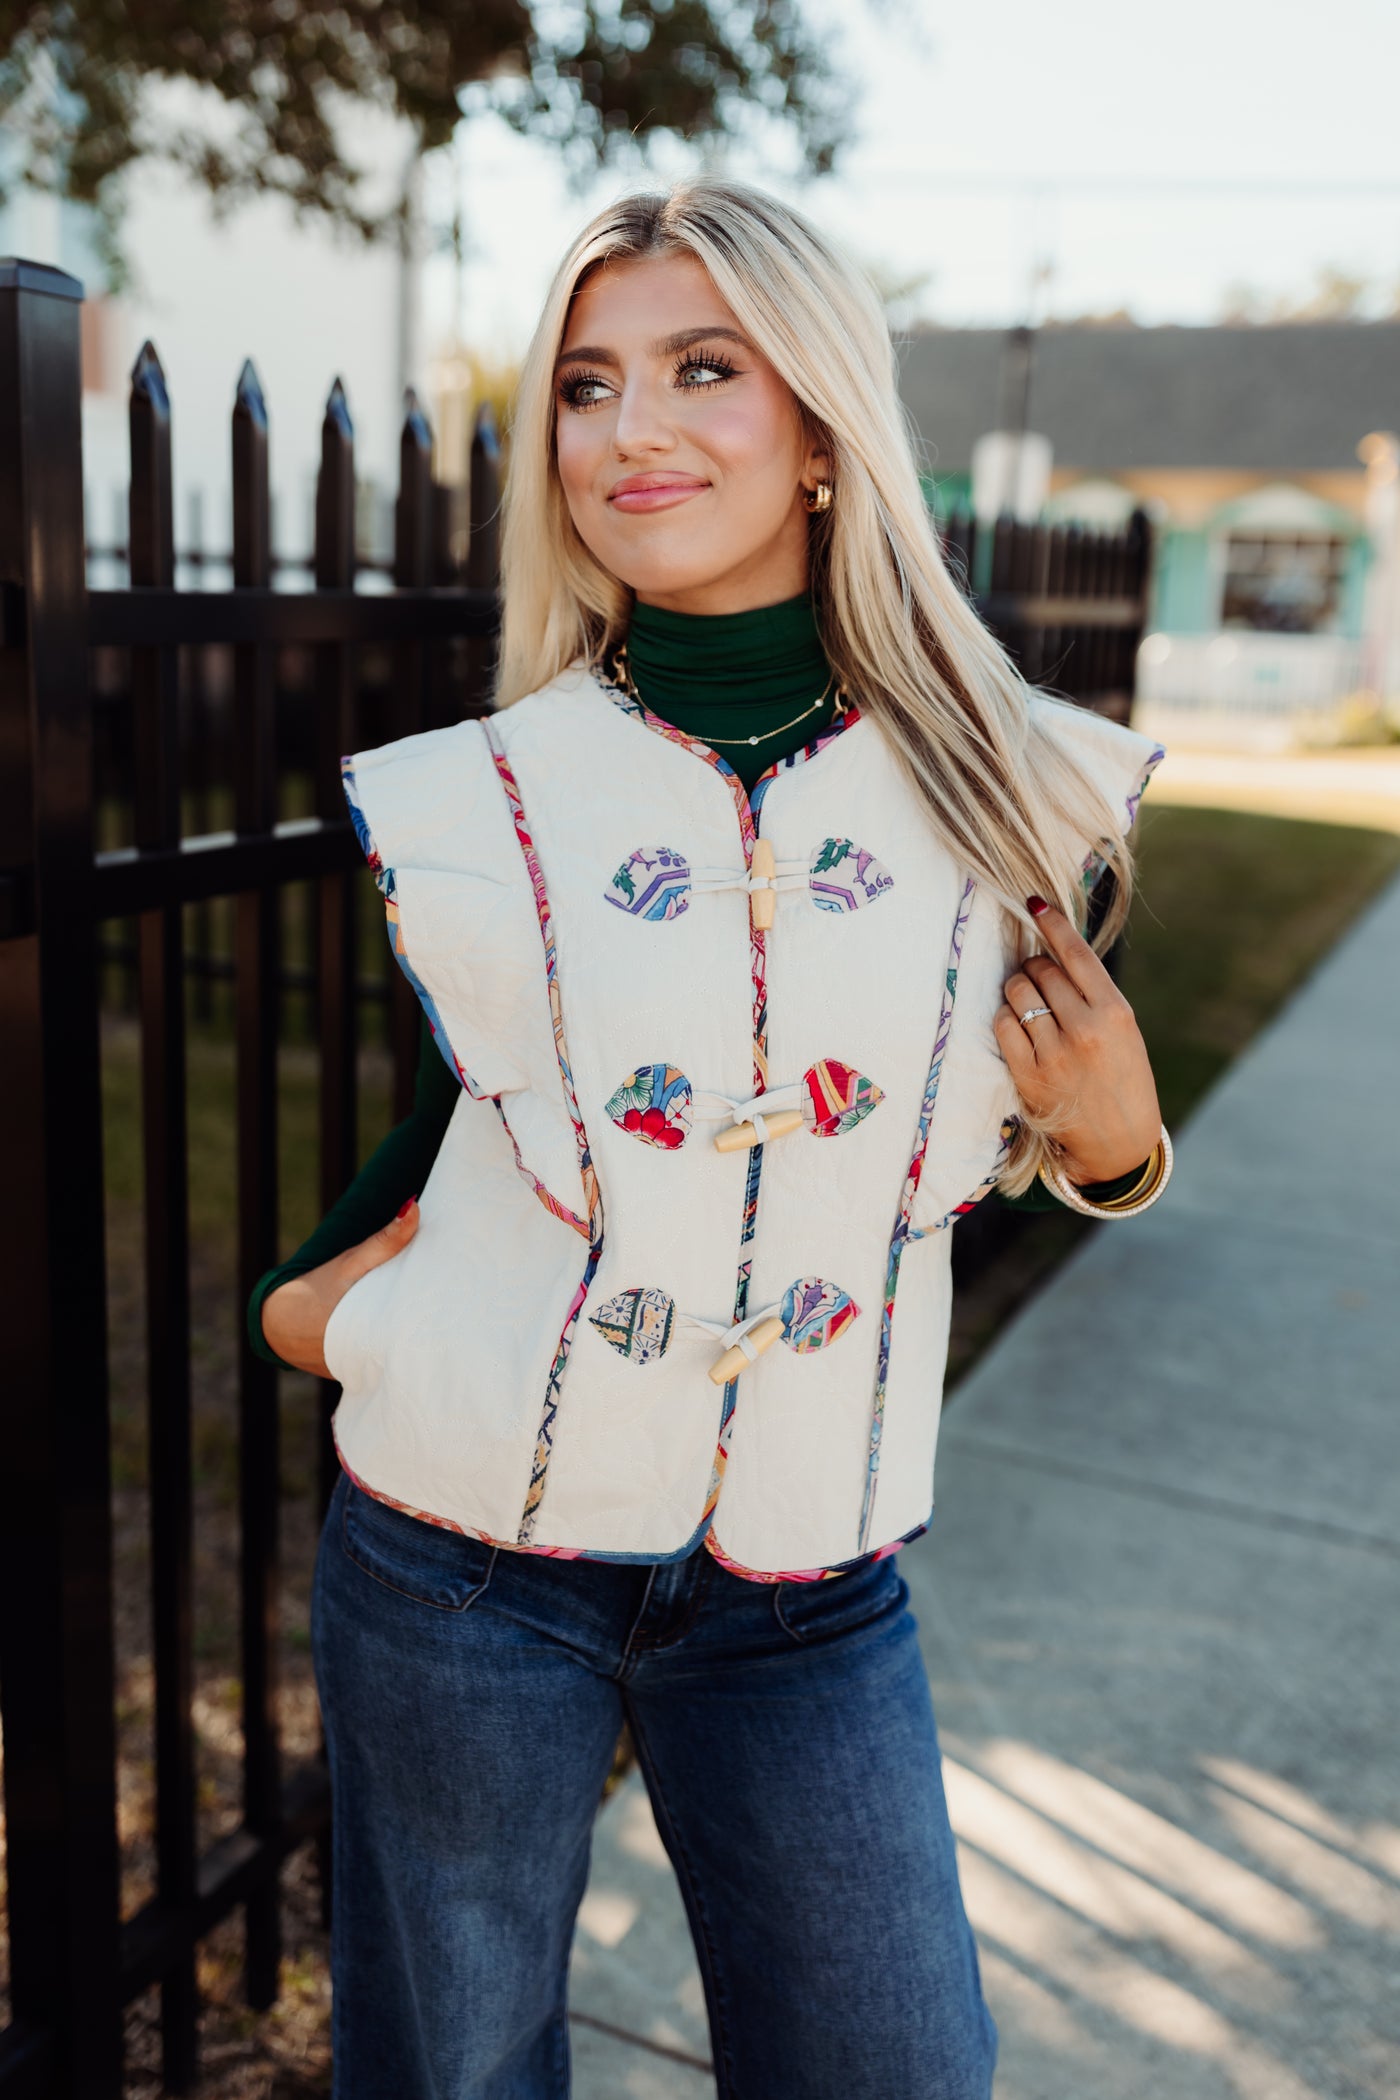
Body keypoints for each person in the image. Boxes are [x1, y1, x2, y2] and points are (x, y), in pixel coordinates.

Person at [250, 178, 1169, 2100]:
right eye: (585, 386)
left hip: (809, 1583)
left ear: (822, 426)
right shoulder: (476, 798)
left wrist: (1123, 1148)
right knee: (456, 2081)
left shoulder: (1020, 785)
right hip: (465, 1568)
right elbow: (453, 1137)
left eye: (700, 369)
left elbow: (1019, 1130)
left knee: (897, 2065)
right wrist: (313, 1317)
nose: (629, 430)